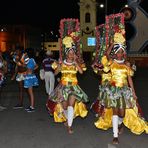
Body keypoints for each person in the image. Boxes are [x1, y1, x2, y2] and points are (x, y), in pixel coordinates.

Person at [46, 35, 89, 134]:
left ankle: (69, 126)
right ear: (66, 54)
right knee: (65, 106)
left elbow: (81, 72)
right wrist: (59, 66)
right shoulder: (62, 63)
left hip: (73, 87)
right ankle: (67, 119)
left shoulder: (76, 63)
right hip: (63, 87)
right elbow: (55, 73)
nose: (71, 54)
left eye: (72, 53)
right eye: (69, 53)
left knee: (71, 106)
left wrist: (75, 62)